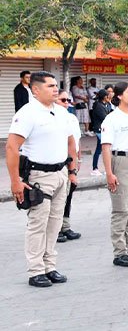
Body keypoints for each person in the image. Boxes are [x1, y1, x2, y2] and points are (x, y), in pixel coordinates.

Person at [7, 71, 79, 288]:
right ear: (35, 90)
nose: (55, 89)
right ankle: (36, 270)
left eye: (56, 85)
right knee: (38, 223)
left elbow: (70, 142)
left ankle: (50, 266)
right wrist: (15, 181)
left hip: (60, 174)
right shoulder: (28, 113)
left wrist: (72, 170)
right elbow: (11, 147)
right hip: (39, 175)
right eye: (49, 86)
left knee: (55, 222)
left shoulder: (61, 112)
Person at [101, 82, 128, 267]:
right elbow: (106, 147)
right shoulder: (111, 119)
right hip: (120, 161)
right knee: (121, 210)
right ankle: (119, 252)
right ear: (119, 96)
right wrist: (109, 173)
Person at [54, 90, 82, 243]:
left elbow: (76, 141)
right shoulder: (53, 118)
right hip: (59, 163)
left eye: (68, 100)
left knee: (68, 195)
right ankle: (55, 228)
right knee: (58, 198)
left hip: (72, 160)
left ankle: (65, 225)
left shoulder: (71, 118)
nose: (66, 103)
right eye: (63, 100)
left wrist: (78, 160)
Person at [90, 89, 112, 176]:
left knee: (99, 149)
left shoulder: (105, 104)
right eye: (107, 96)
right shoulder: (99, 106)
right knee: (105, 149)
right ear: (104, 97)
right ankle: (96, 169)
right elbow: (106, 118)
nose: (109, 97)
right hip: (99, 130)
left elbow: (109, 112)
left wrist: (109, 103)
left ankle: (96, 168)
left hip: (103, 130)